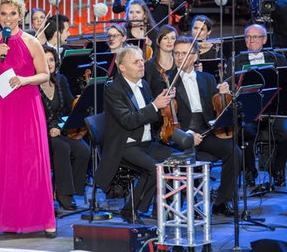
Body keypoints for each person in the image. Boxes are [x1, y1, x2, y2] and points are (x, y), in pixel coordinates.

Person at [0, 0, 56, 237]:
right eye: (4, 14)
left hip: (27, 103)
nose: (9, 18)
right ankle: (10, 219)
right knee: (7, 161)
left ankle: (45, 219)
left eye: (13, 14)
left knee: (33, 161)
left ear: (20, 15)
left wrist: (24, 80)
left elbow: (44, 74)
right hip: (3, 107)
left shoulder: (32, 41)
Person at [96, 45, 177, 224]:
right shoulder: (113, 89)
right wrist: (155, 106)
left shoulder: (144, 85)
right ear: (122, 67)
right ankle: (131, 210)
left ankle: (167, 208)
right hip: (124, 145)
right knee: (155, 169)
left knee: (177, 160)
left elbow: (151, 116)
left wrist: (164, 104)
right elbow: (128, 120)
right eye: (136, 62)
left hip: (145, 142)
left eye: (142, 60)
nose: (141, 64)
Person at [170, 36, 241, 216]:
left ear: (195, 56)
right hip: (182, 134)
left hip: (206, 131)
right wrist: (187, 135)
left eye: (184, 53)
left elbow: (217, 108)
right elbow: (166, 119)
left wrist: (226, 94)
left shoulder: (208, 78)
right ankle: (192, 206)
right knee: (190, 156)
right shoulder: (168, 81)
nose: (180, 57)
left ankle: (222, 202)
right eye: (177, 53)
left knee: (235, 152)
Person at [224, 24, 287, 186]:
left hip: (273, 109)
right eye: (248, 37)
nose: (251, 41)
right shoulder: (235, 61)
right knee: (246, 133)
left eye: (256, 37)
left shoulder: (278, 59)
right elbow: (229, 88)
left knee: (286, 132)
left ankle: (277, 168)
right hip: (249, 112)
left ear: (264, 40)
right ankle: (250, 171)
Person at [39, 45, 90, 210]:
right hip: (40, 132)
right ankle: (63, 193)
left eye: (51, 60)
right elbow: (32, 116)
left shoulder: (60, 80)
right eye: (45, 61)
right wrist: (48, 130)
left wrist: (81, 101)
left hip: (60, 129)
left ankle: (72, 189)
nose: (49, 64)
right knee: (63, 147)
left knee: (84, 151)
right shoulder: (33, 84)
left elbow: (70, 106)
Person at [144, 24, 177, 96]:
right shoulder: (149, 66)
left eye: (173, 38)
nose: (169, 41)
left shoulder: (179, 65)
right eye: (165, 38)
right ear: (158, 41)